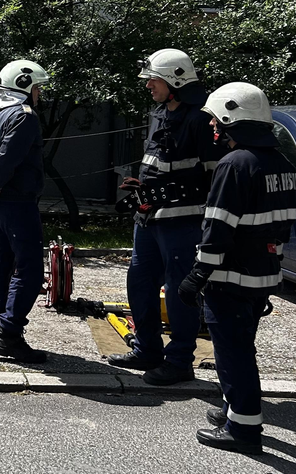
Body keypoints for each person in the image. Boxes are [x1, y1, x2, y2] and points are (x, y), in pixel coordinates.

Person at [177, 82, 296, 454]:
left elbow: (218, 226)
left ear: (233, 119)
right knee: (242, 345)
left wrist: (197, 275)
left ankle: (244, 430)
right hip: (263, 273)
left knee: (234, 353)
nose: (213, 129)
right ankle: (234, 410)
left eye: (217, 121)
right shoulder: (282, 164)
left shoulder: (236, 164)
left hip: (230, 276)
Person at [108, 49, 226, 386]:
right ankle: (147, 349)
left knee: (179, 291)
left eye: (153, 79)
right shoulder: (159, 113)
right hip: (148, 219)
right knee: (140, 283)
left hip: (183, 223)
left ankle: (179, 361)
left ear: (175, 79)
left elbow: (214, 178)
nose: (148, 85)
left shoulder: (201, 119)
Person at [0, 59, 51, 363]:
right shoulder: (24, 117)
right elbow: (8, 157)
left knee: (0, 267)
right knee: (28, 271)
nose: (39, 94)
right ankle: (10, 335)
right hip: (17, 204)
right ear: (24, 86)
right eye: (37, 88)